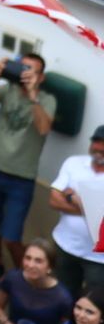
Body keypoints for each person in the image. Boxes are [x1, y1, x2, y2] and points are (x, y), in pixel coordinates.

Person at [0, 53, 58, 295]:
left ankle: (27, 281)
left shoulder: (47, 100)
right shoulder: (6, 89)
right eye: (23, 68)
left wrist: (32, 97)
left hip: (21, 178)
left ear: (41, 77)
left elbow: (43, 128)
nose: (26, 73)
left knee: (11, 236)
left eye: (32, 71)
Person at [48, 126, 104, 300]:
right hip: (65, 245)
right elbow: (54, 200)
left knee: (93, 303)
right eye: (96, 142)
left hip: (98, 258)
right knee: (63, 296)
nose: (99, 148)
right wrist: (94, 208)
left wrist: (73, 197)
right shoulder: (73, 163)